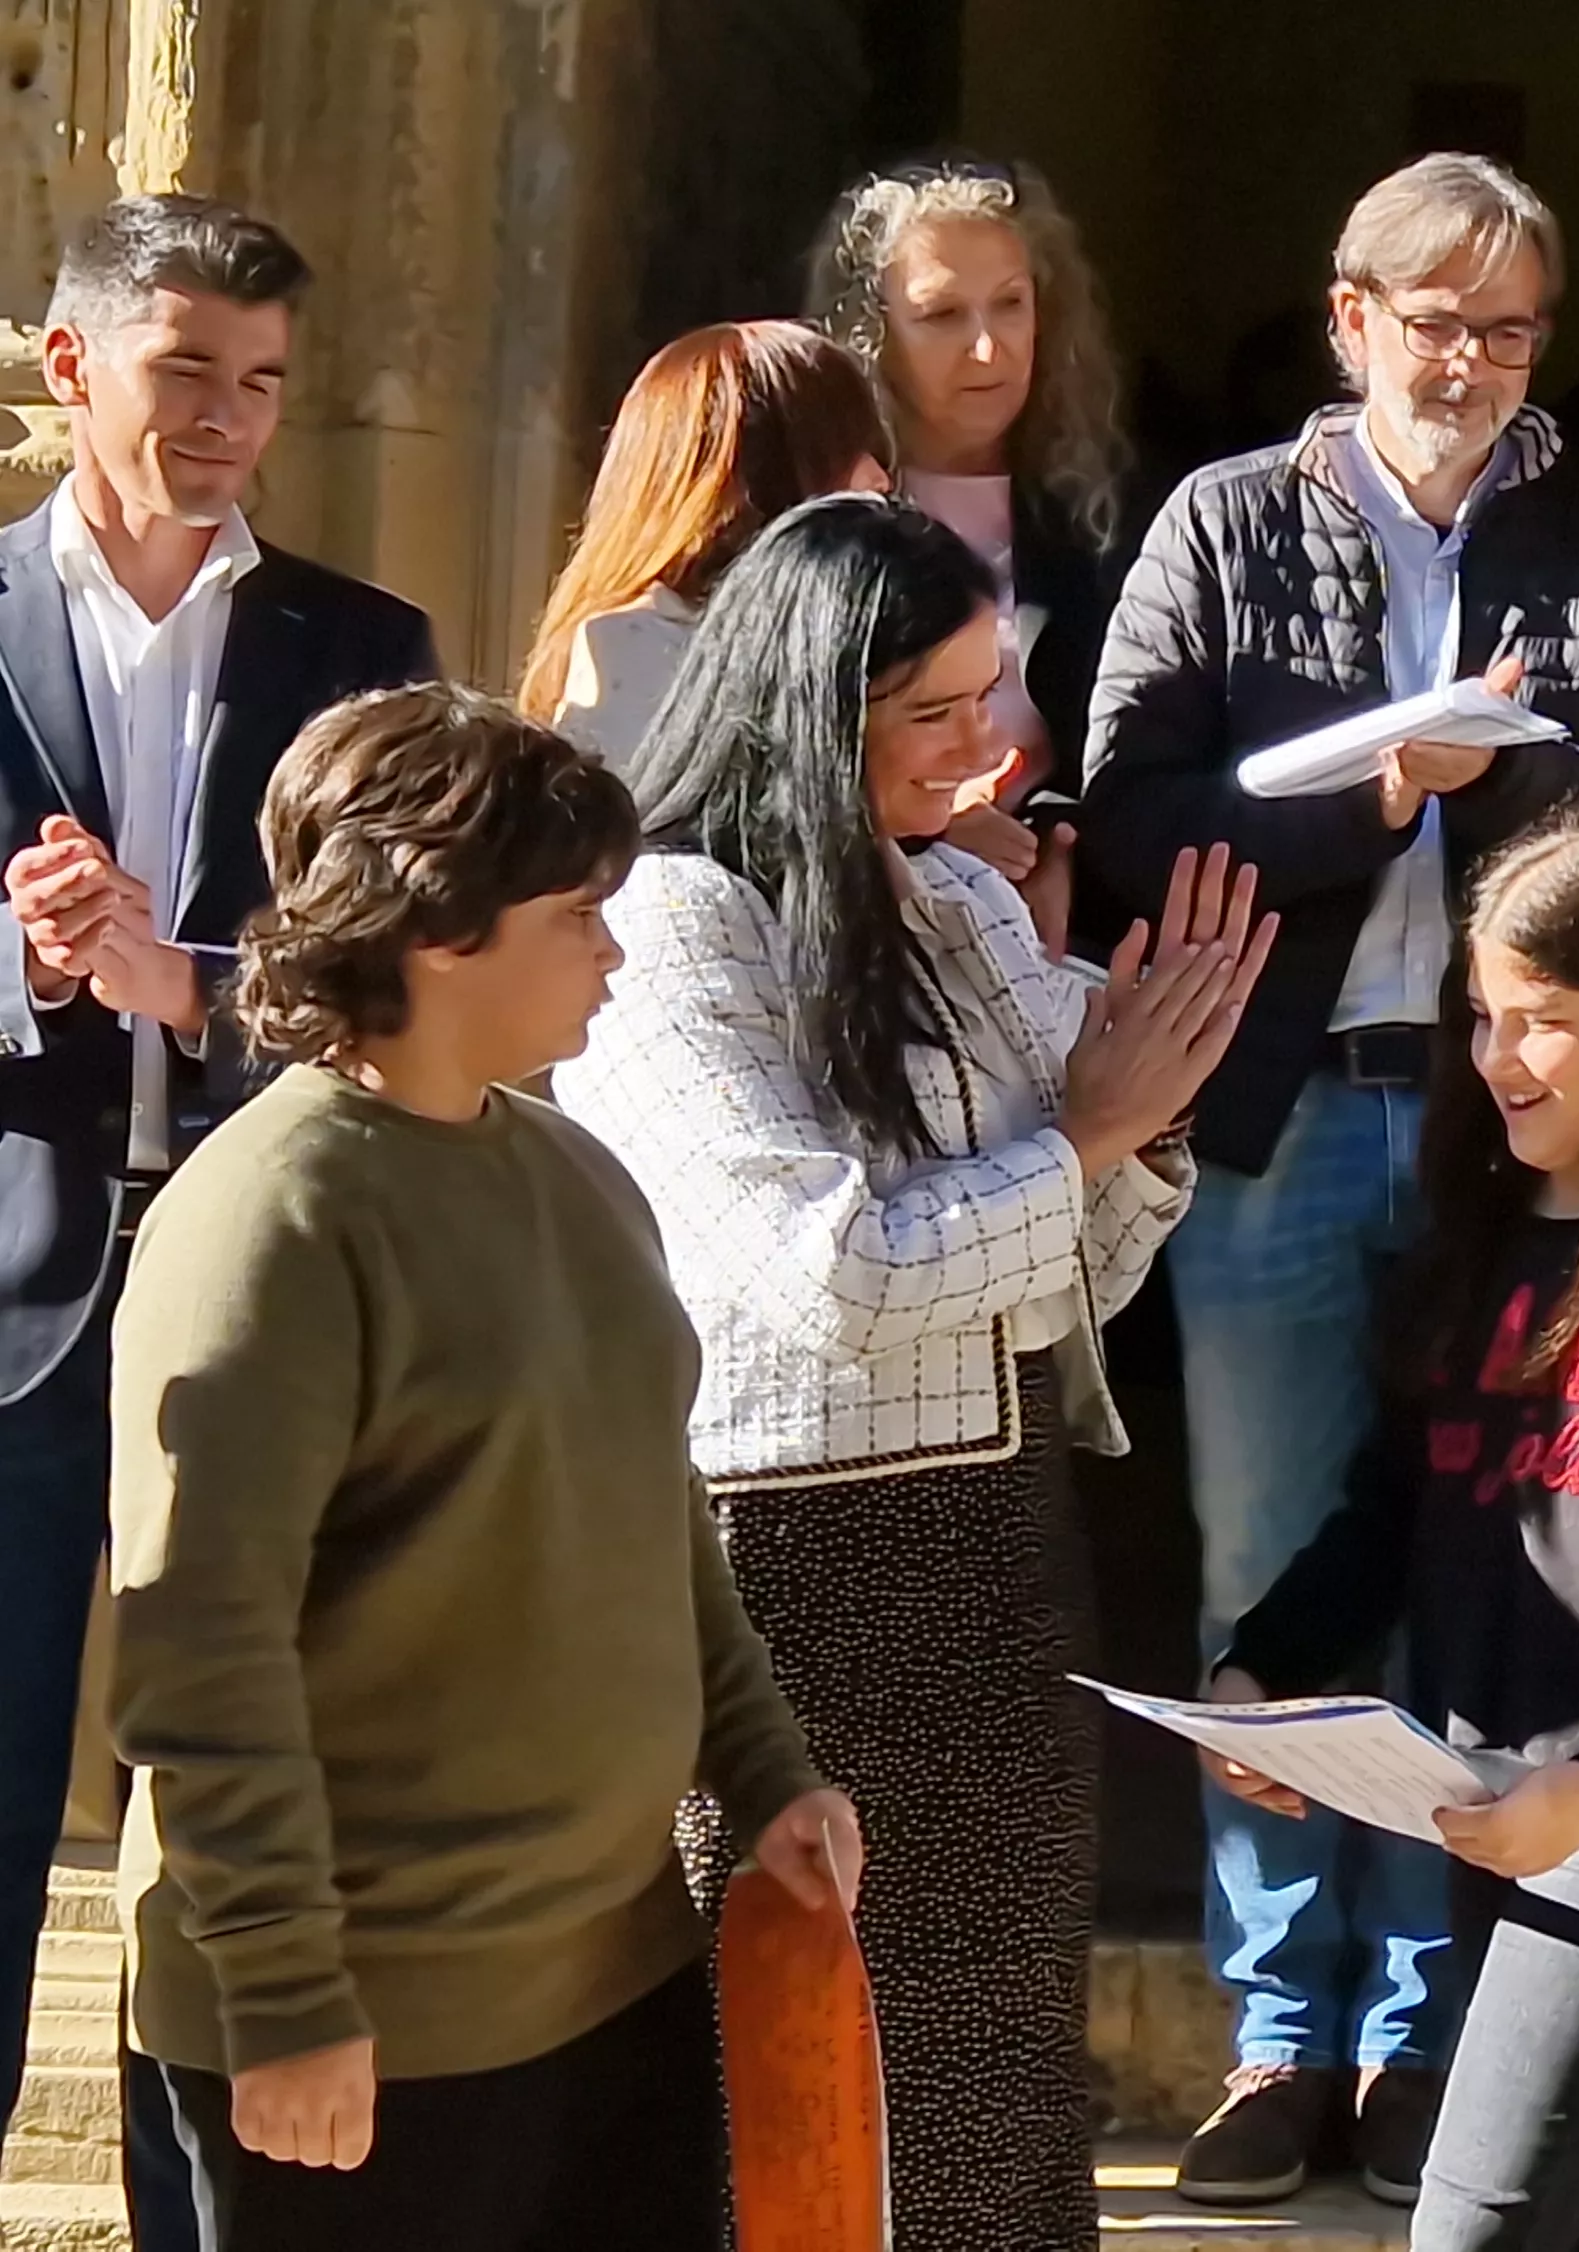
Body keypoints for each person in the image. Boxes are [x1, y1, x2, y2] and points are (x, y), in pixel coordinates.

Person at [1081, 148, 1579, 2207]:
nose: (1467, 357)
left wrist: (1510, 772)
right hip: (1280, 1106)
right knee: (1274, 1567)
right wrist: (1378, 791)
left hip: (1517, 1129)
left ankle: (1417, 2040)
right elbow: (1126, 806)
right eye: (1431, 319)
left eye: (1507, 325)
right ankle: (1276, 2029)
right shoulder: (1223, 520)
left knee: (1489, 1570)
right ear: (1348, 318)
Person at [550, 495, 1271, 2251]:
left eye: (992, 694)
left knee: (993, 2070)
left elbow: (1069, 1277)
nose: (989, 746)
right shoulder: (670, 927)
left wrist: (1142, 1121)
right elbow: (822, 1278)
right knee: (795, 2065)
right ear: (809, 701)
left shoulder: (955, 896)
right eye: (932, 713)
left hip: (999, 1549)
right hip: (787, 1573)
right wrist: (1088, 1134)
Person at [105, 683, 861, 2248]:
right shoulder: (269, 1221)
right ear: (440, 928)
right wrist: (287, 1992)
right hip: (362, 2037)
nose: (617, 951)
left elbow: (659, 1532)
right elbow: (202, 1655)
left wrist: (768, 1774)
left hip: (617, 1989)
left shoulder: (585, 1179)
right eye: (579, 912)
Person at [0, 193, 436, 2231]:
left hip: (276, 1285)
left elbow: (410, 977)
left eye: (262, 385)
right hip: (14, 1290)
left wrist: (184, 980)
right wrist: (34, 969)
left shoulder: (362, 652)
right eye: (189, 373)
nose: (230, 422)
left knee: (241, 1810)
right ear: (72, 364)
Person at [1195, 813, 1579, 2252]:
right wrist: (1259, 1674)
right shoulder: (1466, 1243)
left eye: (1546, 1023)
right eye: (1482, 1016)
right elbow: (1388, 1512)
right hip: (1488, 1807)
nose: (1497, 1058)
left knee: (1471, 2227)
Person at [809, 156, 1130, 804]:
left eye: (1010, 304)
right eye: (941, 314)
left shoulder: (1102, 513)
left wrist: (1053, 840)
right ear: (872, 335)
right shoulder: (822, 512)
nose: (987, 348)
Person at [514, 320, 893, 767]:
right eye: (838, 453)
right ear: (753, 480)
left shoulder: (842, 631)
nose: (879, 480)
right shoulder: (633, 651)